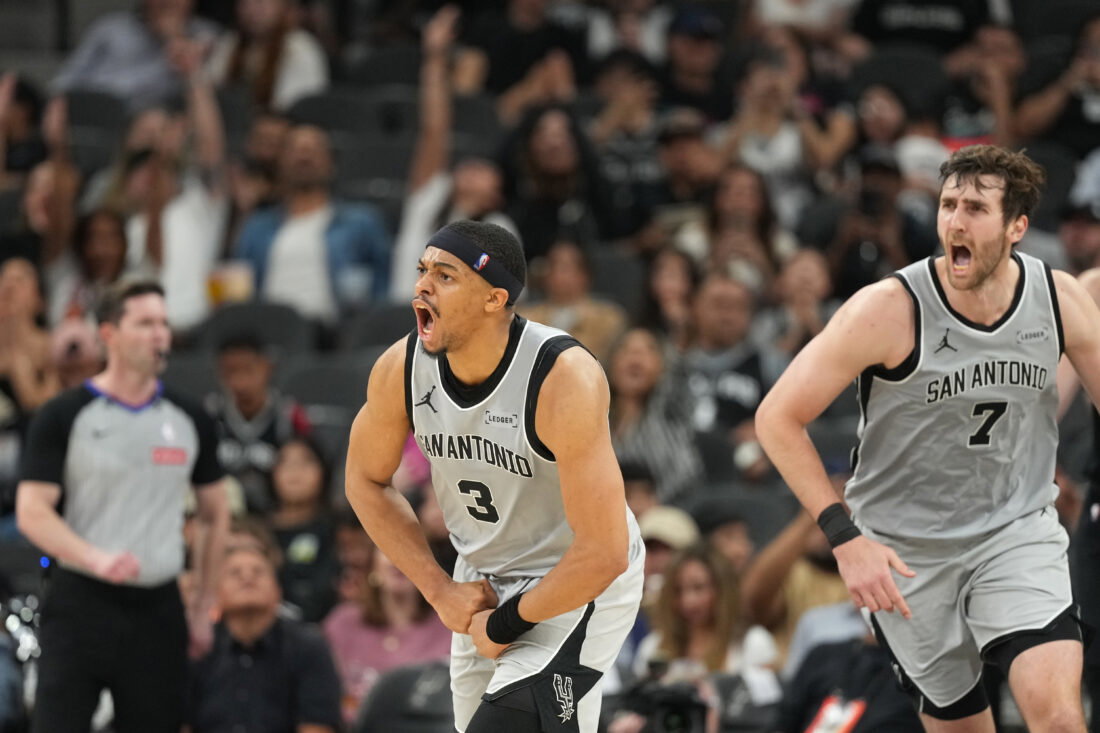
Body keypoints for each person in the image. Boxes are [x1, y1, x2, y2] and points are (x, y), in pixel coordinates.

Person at [756, 144, 1098, 729]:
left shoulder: (1059, 297)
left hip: (1015, 531)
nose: (955, 222)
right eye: (947, 205)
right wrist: (845, 538)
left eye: (975, 208)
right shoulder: (888, 309)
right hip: (908, 553)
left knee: (1060, 718)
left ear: (1018, 226)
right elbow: (776, 418)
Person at [345, 219, 645, 732]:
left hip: (575, 584)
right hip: (480, 580)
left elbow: (604, 551)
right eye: (422, 271)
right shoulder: (401, 368)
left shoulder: (562, 377)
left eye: (445, 275)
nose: (421, 285)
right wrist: (440, 591)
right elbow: (364, 483)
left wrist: (506, 623)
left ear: (493, 298)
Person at [15, 280, 230, 733]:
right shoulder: (64, 414)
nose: (160, 335)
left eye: (164, 324)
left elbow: (216, 512)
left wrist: (204, 603)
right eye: (145, 323)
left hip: (158, 607)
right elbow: (32, 509)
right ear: (108, 333)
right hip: (80, 600)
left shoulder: (190, 417)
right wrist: (95, 557)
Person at [186, 540, 342, 733]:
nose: (247, 578)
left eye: (258, 571)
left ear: (278, 590)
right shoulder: (198, 647)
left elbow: (318, 725)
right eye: (234, 573)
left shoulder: (309, 646)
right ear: (217, 593)